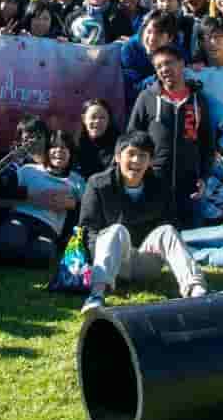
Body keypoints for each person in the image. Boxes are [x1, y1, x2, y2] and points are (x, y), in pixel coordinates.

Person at [78, 131, 207, 312]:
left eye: (143, 156)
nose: (137, 161)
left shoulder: (160, 186)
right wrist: (100, 258)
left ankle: (197, 291)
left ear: (151, 161)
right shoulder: (98, 184)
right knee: (115, 230)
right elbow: (88, 229)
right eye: (131, 154)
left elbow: (172, 224)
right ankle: (96, 295)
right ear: (117, 157)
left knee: (168, 230)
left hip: (146, 260)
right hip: (113, 260)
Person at [127, 45, 214, 229]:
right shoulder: (147, 98)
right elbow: (132, 138)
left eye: (168, 63)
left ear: (181, 64)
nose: (164, 69)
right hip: (153, 185)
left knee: (189, 243)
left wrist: (204, 177)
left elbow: (207, 144)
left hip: (189, 189)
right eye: (158, 66)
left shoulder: (198, 100)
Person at [0, 130, 85, 264]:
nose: (59, 151)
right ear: (47, 150)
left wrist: (72, 204)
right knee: (12, 239)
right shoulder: (28, 170)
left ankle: (7, 255)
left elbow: (88, 208)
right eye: (54, 147)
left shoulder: (76, 180)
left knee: (44, 254)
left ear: (71, 153)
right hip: (22, 218)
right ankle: (6, 251)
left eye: (64, 147)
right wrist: (33, 197)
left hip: (49, 228)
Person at [121, 11, 178, 109]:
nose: (152, 38)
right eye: (149, 31)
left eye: (159, 34)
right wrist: (158, 77)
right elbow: (132, 89)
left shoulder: (174, 51)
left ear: (170, 38)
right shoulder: (130, 49)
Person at [75, 98, 118, 179]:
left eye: (102, 118)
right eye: (93, 117)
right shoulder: (75, 146)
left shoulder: (118, 146)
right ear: (84, 119)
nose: (97, 121)